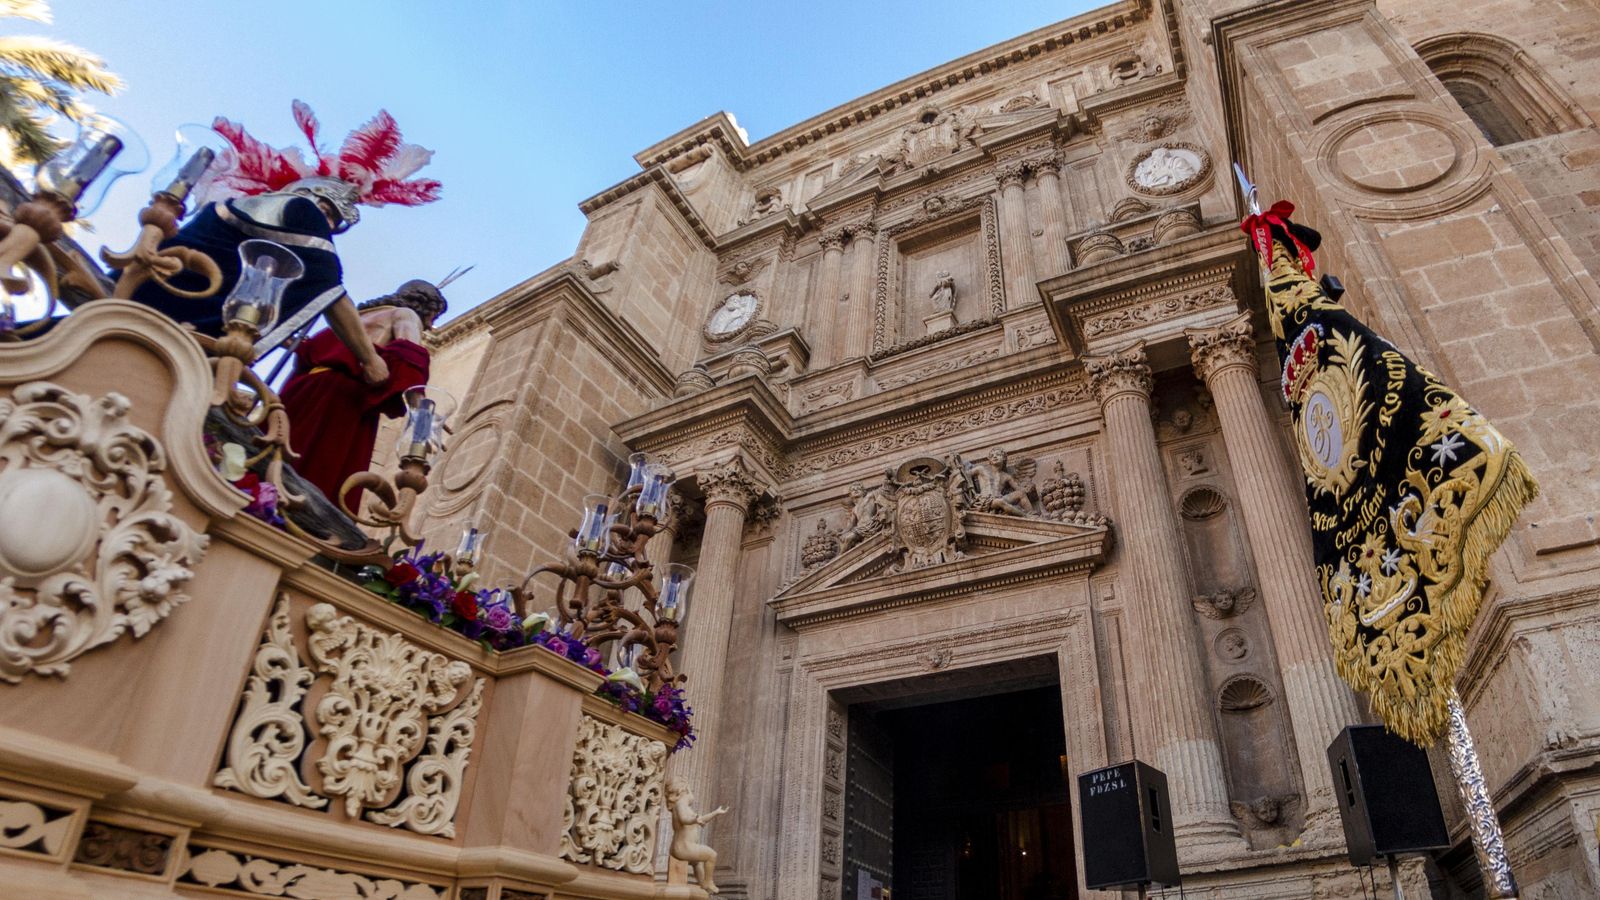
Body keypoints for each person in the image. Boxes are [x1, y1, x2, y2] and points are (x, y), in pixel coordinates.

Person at [130, 100, 441, 387]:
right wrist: (370, 360)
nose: (328, 230)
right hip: (192, 325)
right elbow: (329, 287)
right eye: (332, 219)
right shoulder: (305, 212)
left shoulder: (236, 207)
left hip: (143, 293)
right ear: (322, 204)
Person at [280, 279, 447, 511]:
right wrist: (425, 423)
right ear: (424, 307)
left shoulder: (353, 318)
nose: (429, 326)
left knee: (279, 456)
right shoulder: (406, 315)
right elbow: (410, 364)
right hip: (341, 398)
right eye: (434, 317)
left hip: (301, 391)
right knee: (320, 479)